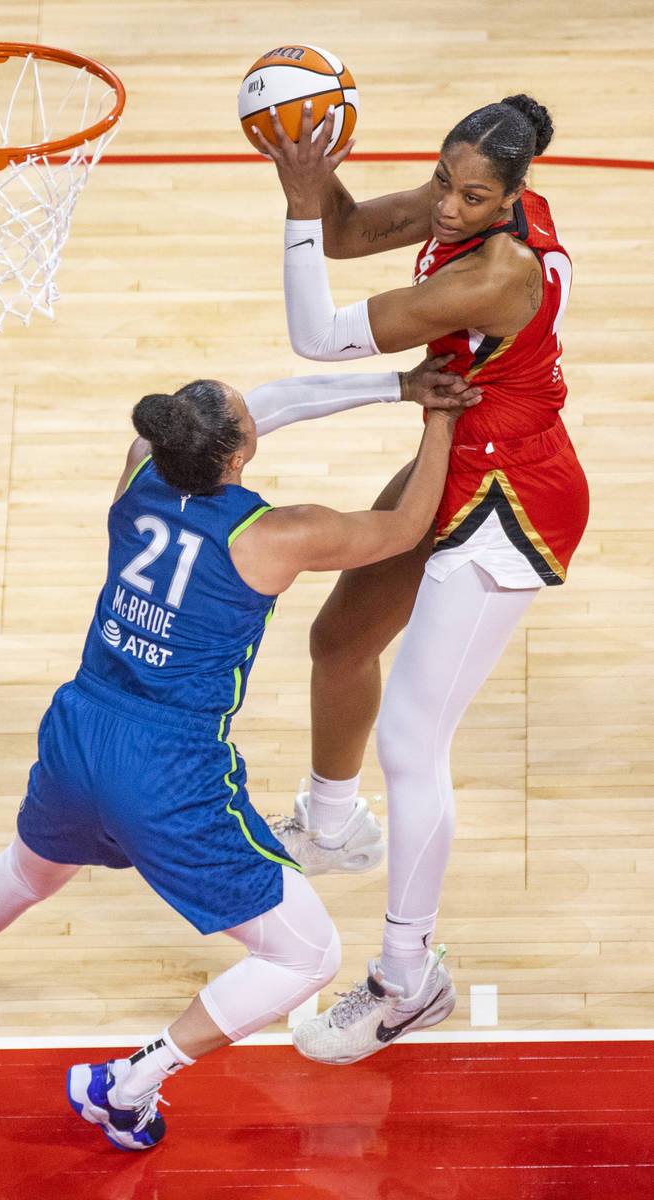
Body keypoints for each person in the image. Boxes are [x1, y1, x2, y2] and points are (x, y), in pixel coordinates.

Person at [0, 364, 479, 1150]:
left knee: (29, 870)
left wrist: (397, 385)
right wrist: (439, 421)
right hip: (168, 768)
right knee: (309, 954)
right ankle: (130, 1083)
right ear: (237, 453)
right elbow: (404, 529)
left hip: (81, 727)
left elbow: (232, 419)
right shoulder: (275, 534)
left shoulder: (138, 477)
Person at [252, 94, 589, 1064]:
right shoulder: (467, 205)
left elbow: (317, 336)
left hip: (514, 493)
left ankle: (407, 980)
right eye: (443, 180)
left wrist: (293, 211)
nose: (445, 205)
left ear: (514, 198)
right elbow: (355, 227)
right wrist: (314, 188)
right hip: (457, 451)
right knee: (339, 641)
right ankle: (330, 824)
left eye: (469, 194)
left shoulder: (500, 268)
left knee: (410, 738)